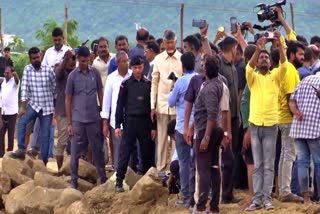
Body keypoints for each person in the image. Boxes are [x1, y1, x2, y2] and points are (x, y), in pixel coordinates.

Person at [245, 31, 287, 211]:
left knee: (269, 165)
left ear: (270, 62)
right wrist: (259, 48)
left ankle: (267, 199)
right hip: (255, 124)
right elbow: (248, 67)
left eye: (265, 57)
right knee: (258, 165)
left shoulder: (275, 77)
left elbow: (284, 65)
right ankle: (256, 200)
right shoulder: (252, 78)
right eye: (261, 57)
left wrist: (279, 43)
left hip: (271, 124)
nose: (263, 59)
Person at [65, 46, 107, 189]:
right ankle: (74, 181)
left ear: (89, 58)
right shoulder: (72, 76)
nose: (84, 63)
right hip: (78, 120)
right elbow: (68, 99)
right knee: (75, 151)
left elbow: (100, 93)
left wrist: (103, 114)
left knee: (97, 149)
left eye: (86, 61)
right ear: (78, 60)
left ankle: (103, 177)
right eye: (81, 61)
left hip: (94, 118)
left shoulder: (95, 73)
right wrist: (69, 123)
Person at [114, 55, 156, 192]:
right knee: (125, 152)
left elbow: (152, 107)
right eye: (135, 68)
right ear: (132, 68)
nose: (138, 70)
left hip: (145, 122)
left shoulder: (148, 84)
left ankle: (148, 181)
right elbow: (119, 105)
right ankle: (119, 181)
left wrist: (153, 127)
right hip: (130, 121)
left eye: (140, 67)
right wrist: (117, 125)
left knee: (147, 153)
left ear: (143, 67)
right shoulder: (126, 84)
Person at [10, 47, 56, 164]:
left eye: (38, 57)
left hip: (47, 108)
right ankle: (21, 148)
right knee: (22, 120)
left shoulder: (48, 70)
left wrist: (55, 109)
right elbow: (24, 88)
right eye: (34, 58)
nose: (36, 60)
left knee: (45, 136)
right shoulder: (27, 70)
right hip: (34, 105)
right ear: (30, 59)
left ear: (40, 56)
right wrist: (23, 106)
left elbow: (55, 89)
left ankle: (44, 162)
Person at [193, 55, 224, 214]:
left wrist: (205, 137)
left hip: (208, 132)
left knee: (204, 169)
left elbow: (211, 114)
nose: (202, 66)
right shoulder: (218, 81)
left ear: (206, 69)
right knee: (213, 168)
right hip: (214, 130)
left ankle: (201, 207)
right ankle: (214, 208)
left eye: (204, 64)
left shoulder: (211, 88)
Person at [151, 29, 182, 173]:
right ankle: (161, 170)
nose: (169, 45)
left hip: (178, 106)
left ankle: (175, 169)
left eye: (172, 42)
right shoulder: (157, 59)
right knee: (162, 139)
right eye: (167, 42)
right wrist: (152, 106)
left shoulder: (182, 58)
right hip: (162, 105)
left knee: (176, 139)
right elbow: (154, 83)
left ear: (175, 42)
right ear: (163, 42)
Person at [168, 52, 196, 207]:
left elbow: (171, 102)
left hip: (182, 127)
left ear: (183, 66)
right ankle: (201, 193)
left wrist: (173, 90)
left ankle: (186, 197)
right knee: (199, 162)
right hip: (198, 126)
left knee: (184, 162)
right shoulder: (199, 78)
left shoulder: (180, 82)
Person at [277, 41, 305, 203]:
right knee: (289, 154)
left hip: (283, 117)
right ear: (292, 54)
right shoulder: (289, 70)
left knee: (284, 154)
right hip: (288, 117)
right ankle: (285, 191)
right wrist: (296, 116)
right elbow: (290, 97)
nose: (303, 57)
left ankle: (282, 189)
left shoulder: (290, 68)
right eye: (300, 54)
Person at [289, 72, 320, 204]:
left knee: (302, 163)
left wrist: (297, 112)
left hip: (299, 128)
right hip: (315, 129)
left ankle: (306, 198)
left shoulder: (304, 81)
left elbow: (291, 102)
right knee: (318, 163)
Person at [101, 51, 132, 171]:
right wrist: (105, 122)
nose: (126, 63)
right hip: (116, 121)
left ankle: (130, 174)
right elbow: (106, 102)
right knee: (118, 149)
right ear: (118, 63)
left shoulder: (132, 75)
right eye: (123, 61)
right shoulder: (111, 78)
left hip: (131, 120)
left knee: (130, 149)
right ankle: (118, 174)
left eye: (127, 61)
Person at [54, 50, 76, 169]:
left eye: (73, 59)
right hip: (62, 112)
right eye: (68, 59)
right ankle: (60, 169)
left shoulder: (75, 73)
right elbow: (58, 73)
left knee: (76, 140)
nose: (71, 61)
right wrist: (66, 58)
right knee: (62, 141)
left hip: (75, 112)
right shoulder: (60, 71)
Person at [0, 66, 19, 157]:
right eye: (5, 72)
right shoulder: (3, 82)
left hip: (12, 113)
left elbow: (17, 80)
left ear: (12, 73)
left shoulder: (15, 83)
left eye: (8, 73)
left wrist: (15, 75)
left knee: (10, 135)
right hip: (3, 112)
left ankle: (10, 153)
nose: (6, 74)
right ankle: (1, 154)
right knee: (1, 133)